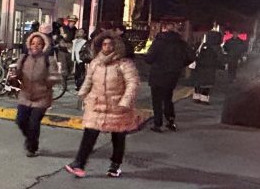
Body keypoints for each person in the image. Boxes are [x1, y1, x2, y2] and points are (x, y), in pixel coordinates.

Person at [65, 34, 140, 178]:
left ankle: (115, 165)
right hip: (97, 105)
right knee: (89, 133)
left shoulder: (124, 64)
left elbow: (132, 83)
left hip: (117, 107)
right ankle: (79, 164)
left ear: (116, 45)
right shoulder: (95, 63)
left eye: (110, 44)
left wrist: (125, 101)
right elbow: (89, 80)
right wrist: (83, 94)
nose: (107, 47)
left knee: (118, 137)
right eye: (104, 44)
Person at [14, 31, 59, 157]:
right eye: (33, 43)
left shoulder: (48, 59)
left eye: (39, 44)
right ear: (29, 44)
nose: (35, 46)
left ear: (44, 45)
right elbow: (17, 73)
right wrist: (15, 75)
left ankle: (32, 147)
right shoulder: (23, 58)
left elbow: (55, 76)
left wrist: (48, 83)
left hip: (42, 97)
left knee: (34, 123)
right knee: (21, 121)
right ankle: (31, 139)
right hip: (25, 95)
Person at [144, 22, 195, 133]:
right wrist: (179, 65)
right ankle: (170, 120)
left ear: (164, 29)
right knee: (168, 97)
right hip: (173, 75)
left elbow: (149, 58)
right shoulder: (181, 43)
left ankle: (158, 123)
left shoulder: (158, 42)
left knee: (156, 99)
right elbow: (191, 57)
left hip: (158, 73)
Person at [192, 38, 221, 104]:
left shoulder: (201, 45)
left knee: (198, 82)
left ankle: (196, 97)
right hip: (210, 68)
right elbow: (220, 58)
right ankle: (204, 99)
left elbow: (195, 54)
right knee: (207, 84)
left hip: (199, 67)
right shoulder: (216, 48)